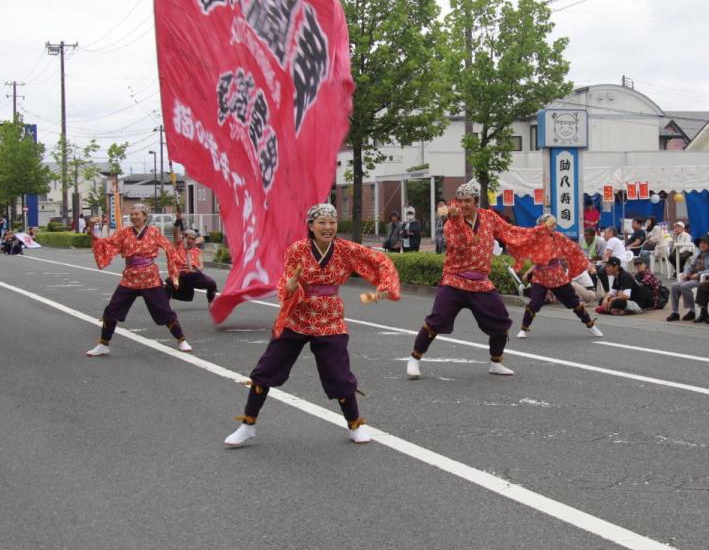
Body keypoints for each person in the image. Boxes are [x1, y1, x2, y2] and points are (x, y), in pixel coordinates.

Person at [223, 204, 401, 448]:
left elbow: (379, 261)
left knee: (340, 375)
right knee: (265, 371)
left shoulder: (346, 250)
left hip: (330, 318)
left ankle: (355, 425)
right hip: (296, 317)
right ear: (310, 226)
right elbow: (286, 282)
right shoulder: (297, 250)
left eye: (332, 222)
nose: (328, 227)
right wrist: (290, 287)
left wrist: (384, 286)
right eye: (322, 222)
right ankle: (247, 425)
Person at [406, 180, 552, 380]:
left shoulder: (489, 218)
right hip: (455, 280)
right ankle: (414, 358)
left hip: (481, 283)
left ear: (476, 201)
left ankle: (496, 362)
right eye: (460, 201)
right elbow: (461, 243)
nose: (463, 205)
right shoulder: (451, 223)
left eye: (468, 201)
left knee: (501, 321)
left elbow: (510, 232)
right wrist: (456, 221)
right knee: (437, 320)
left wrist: (540, 230)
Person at [85, 203, 189, 357]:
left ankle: (181, 340)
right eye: (132, 214)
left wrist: (175, 270)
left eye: (137, 214)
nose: (134, 217)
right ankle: (103, 344)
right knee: (112, 309)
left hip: (149, 277)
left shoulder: (154, 232)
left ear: (145, 216)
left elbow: (169, 249)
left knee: (164, 310)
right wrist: (91, 228)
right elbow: (105, 244)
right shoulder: (124, 232)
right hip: (130, 277)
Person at [515, 214, 603, 339]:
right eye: (551, 224)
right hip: (540, 276)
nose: (554, 227)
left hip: (557, 276)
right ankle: (523, 328)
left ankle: (590, 325)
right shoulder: (534, 238)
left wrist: (588, 265)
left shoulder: (558, 237)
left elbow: (574, 250)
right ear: (543, 225)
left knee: (573, 301)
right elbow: (520, 242)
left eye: (554, 224)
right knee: (534, 303)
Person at [665, 236, 709, 321]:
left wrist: (698, 274)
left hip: (705, 279)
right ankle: (675, 312)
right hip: (693, 278)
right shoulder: (699, 255)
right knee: (674, 286)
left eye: (705, 243)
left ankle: (693, 310)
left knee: (685, 286)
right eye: (701, 243)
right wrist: (686, 273)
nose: (702, 245)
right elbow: (690, 266)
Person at [168, 229, 219, 304]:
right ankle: (166, 306)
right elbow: (175, 233)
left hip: (194, 274)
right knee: (168, 283)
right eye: (189, 238)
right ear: (185, 238)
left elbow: (201, 265)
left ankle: (210, 302)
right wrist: (177, 224)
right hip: (181, 274)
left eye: (193, 239)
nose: (191, 241)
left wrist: (197, 270)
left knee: (212, 283)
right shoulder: (179, 246)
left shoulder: (197, 250)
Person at [594, 226, 630, 291]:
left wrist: (598, 263)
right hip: (617, 263)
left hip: (617, 264)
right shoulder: (615, 240)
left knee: (600, 272)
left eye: (605, 233)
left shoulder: (612, 240)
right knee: (595, 269)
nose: (603, 235)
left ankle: (608, 291)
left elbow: (606, 256)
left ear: (611, 233)